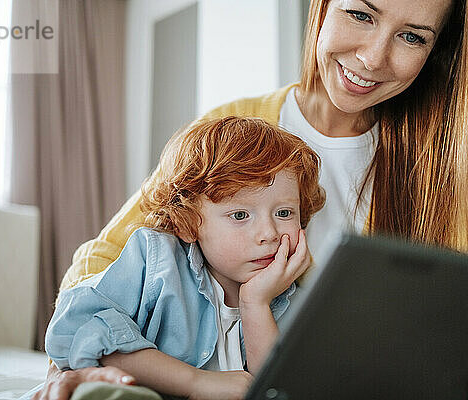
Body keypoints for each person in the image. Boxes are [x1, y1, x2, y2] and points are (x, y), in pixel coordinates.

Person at [33, 0, 468, 399]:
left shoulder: (451, 174)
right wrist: (69, 363)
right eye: (362, 14)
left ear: (436, 51)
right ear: (322, 6)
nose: (372, 57)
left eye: (412, 37)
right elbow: (105, 261)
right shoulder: (231, 132)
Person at [43, 117, 325, 400]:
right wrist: (195, 382)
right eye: (240, 215)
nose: (269, 233)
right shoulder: (156, 259)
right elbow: (78, 327)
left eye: (284, 213)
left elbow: (279, 390)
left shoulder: (291, 296)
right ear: (188, 222)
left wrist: (256, 303)